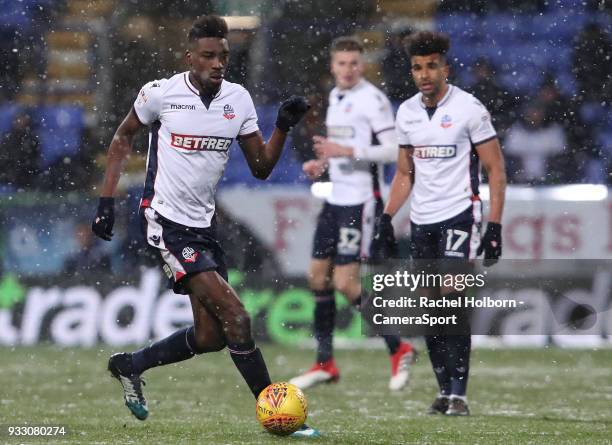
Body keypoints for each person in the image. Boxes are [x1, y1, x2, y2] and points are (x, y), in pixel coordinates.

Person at [91, 16, 318, 438]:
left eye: (224, 56)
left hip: (204, 225)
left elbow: (262, 167)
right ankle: (277, 413)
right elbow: (123, 138)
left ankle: (130, 365)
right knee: (237, 316)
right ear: (190, 57)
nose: (218, 63)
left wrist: (283, 126)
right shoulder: (160, 94)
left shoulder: (239, 100)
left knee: (211, 336)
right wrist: (106, 200)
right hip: (166, 222)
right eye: (209, 56)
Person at [373, 31, 506, 415]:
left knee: (452, 299)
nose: (425, 74)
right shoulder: (407, 113)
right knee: (429, 308)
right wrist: (386, 217)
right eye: (417, 67)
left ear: (445, 67)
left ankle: (459, 393)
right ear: (412, 72)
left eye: (432, 65)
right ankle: (444, 391)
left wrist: (493, 226)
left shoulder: (470, 109)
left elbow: (496, 170)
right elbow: (404, 173)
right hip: (422, 222)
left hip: (461, 215)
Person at [290, 36, 416, 392]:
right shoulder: (334, 97)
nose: (348, 70)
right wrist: (323, 162)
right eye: (341, 63)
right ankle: (325, 362)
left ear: (363, 65)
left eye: (354, 63)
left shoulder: (373, 100)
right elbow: (341, 148)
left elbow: (393, 151)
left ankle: (398, 346)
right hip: (336, 198)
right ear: (333, 66)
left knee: (345, 283)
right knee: (317, 276)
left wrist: (343, 149)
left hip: (361, 202)